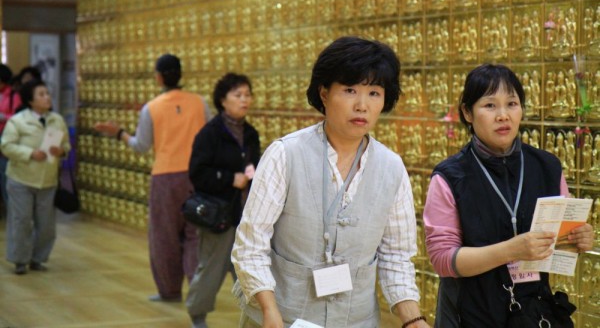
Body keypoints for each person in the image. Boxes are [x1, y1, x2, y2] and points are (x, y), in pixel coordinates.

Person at [232, 36, 429, 328]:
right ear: (324, 94)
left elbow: (396, 257)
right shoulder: (286, 154)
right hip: (282, 318)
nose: (362, 105)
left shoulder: (391, 168)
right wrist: (269, 310)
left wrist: (413, 320)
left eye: (374, 93)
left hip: (357, 321)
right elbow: (251, 243)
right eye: (350, 90)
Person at [423, 64, 595, 327]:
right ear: (468, 113)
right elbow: (443, 260)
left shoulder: (547, 166)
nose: (503, 115)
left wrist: (578, 239)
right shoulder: (450, 176)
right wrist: (510, 250)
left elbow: (558, 245)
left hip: (534, 314)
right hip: (473, 315)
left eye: (512, 104)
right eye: (490, 105)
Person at [94, 54, 211, 302]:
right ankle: (198, 291)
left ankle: (169, 290)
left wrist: (119, 133)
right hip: (196, 176)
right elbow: (211, 136)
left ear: (158, 78)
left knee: (164, 236)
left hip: (165, 178)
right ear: (180, 74)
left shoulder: (152, 108)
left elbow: (141, 145)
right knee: (195, 235)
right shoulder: (199, 103)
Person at [186, 73, 261, 328]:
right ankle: (197, 315)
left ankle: (254, 319)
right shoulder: (210, 134)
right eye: (238, 95)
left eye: (247, 95)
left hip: (244, 216)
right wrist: (229, 178)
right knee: (211, 269)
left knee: (249, 271)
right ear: (222, 100)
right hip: (218, 216)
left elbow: (255, 166)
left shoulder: (250, 134)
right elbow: (198, 173)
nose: (244, 100)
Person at [1, 79, 70, 274]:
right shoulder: (17, 121)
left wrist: (62, 151)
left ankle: (38, 258)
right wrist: (30, 153)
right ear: (30, 100)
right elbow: (6, 146)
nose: (47, 97)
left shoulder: (57, 120)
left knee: (46, 225)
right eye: (41, 94)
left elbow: (66, 145)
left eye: (47, 93)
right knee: (21, 221)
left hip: (47, 180)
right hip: (21, 179)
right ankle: (20, 260)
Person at [0, 64, 22, 217]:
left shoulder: (13, 95)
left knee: (5, 175)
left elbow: (19, 117)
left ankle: (12, 213)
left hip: (6, 138)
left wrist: (3, 117)